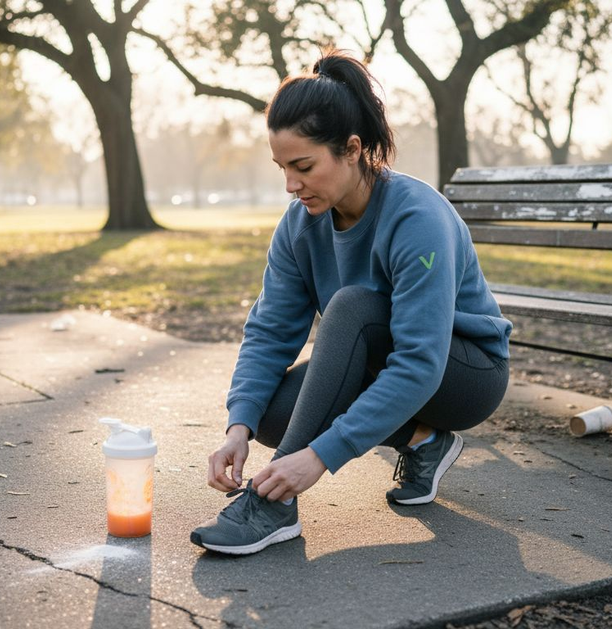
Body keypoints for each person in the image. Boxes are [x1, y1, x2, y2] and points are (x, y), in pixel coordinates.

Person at [190, 50, 512, 556]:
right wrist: (238, 428)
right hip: (388, 362)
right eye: (282, 168)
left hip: (464, 373)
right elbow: (271, 330)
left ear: (353, 149)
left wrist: (316, 457)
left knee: (353, 307)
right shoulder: (298, 226)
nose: (291, 185)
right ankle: (425, 441)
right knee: (271, 413)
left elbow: (419, 362)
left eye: (303, 166)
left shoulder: (416, 218)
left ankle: (273, 506)